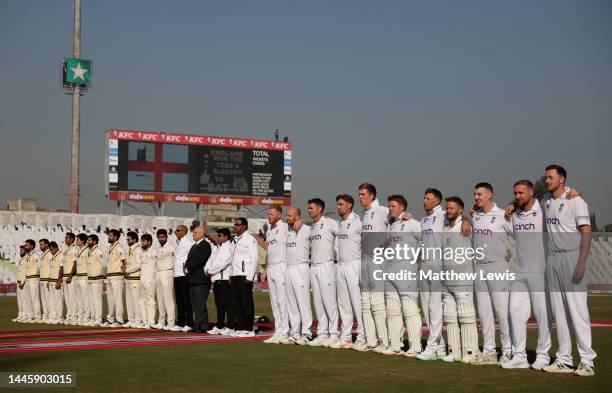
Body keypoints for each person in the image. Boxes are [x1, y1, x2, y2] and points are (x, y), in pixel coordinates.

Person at [540, 165, 596, 376]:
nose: (546, 180)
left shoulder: (576, 200)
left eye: (550, 177)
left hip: (572, 257)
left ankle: (587, 361)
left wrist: (581, 263)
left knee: (578, 311)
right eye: (546, 177)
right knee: (559, 313)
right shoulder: (546, 200)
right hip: (553, 259)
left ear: (562, 180)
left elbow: (586, 232)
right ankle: (564, 359)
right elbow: (525, 198)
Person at [502, 180, 551, 370]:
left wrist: (573, 191)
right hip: (520, 273)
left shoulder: (543, 211)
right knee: (515, 312)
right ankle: (520, 356)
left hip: (541, 272)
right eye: (515, 194)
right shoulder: (515, 214)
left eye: (521, 193)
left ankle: (543, 356)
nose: (517, 197)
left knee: (542, 315)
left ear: (531, 192)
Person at [470, 182, 514, 365]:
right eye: (474, 194)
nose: (476, 197)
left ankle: (507, 350)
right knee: (484, 312)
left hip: (498, 267)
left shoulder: (504, 215)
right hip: (479, 267)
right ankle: (489, 352)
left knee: (501, 311)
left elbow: (518, 236)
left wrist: (510, 251)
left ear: (490, 195)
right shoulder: (475, 216)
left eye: (479, 194)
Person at [440, 197, 480, 363]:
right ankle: (454, 352)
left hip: (463, 278)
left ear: (460, 210)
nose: (448, 211)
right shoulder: (445, 226)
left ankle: (471, 352)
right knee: (449, 316)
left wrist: (466, 219)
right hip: (446, 279)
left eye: (452, 208)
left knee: (466, 315)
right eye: (447, 208)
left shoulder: (466, 226)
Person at [382, 195, 422, 356]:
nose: (389, 208)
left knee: (409, 308)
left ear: (402, 207)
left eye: (392, 206)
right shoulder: (391, 225)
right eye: (389, 206)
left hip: (406, 271)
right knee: (392, 309)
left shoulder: (412, 223)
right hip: (390, 270)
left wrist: (419, 260)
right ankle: (395, 344)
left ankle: (415, 346)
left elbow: (426, 240)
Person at [357, 183, 391, 352]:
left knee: (377, 302)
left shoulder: (382, 210)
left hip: (378, 261)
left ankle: (385, 341)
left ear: (372, 195)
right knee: (366, 302)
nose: (360, 197)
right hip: (365, 261)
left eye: (363, 194)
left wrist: (388, 241)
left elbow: (398, 223)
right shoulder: (364, 214)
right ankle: (371, 341)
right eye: (359, 194)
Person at [331, 194, 366, 350]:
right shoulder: (340, 223)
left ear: (350, 205)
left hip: (354, 264)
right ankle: (346, 337)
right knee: (343, 303)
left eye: (341, 204)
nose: (338, 207)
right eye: (337, 204)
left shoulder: (358, 222)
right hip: (340, 266)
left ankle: (362, 336)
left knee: (357, 302)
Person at [416, 188, 447, 361]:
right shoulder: (424, 220)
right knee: (427, 308)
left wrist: (465, 220)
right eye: (424, 197)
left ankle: (432, 346)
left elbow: (460, 218)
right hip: (425, 266)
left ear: (437, 201)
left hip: (437, 266)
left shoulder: (443, 215)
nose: (424, 201)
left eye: (428, 198)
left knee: (435, 307)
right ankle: (440, 347)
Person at [307, 198, 340, 347]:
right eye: (308, 208)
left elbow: (343, 234)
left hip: (327, 266)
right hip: (313, 266)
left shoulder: (330, 223)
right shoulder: (312, 227)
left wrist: (338, 254)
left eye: (312, 208)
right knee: (318, 302)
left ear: (320, 209)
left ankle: (334, 333)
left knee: (329, 301)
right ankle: (322, 333)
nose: (309, 210)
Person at [259, 206, 290, 344]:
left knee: (282, 301)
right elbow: (269, 252)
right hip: (271, 267)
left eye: (272, 214)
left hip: (281, 266)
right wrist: (265, 269)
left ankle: (285, 331)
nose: (269, 216)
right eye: (268, 214)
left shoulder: (285, 227)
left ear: (279, 214)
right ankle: (278, 331)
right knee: (274, 301)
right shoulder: (270, 231)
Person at [283, 207, 313, 345]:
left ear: (297, 217)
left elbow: (317, 230)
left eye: (289, 215)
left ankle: (307, 333)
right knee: (292, 304)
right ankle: (295, 332)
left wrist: (303, 222)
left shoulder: (306, 229)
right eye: (286, 215)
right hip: (289, 269)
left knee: (303, 303)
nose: (287, 217)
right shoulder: (287, 231)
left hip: (301, 268)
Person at [230, 217, 259, 337]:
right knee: (236, 302)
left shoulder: (250, 239)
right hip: (236, 274)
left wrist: (250, 276)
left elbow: (254, 258)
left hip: (244, 274)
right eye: (234, 224)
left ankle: (249, 328)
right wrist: (231, 274)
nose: (235, 227)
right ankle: (240, 327)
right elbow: (233, 259)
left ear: (244, 226)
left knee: (246, 302)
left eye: (237, 224)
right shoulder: (236, 239)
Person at [205, 228, 235, 335]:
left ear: (226, 237)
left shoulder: (229, 248)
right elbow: (210, 261)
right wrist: (207, 270)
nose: (217, 237)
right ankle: (220, 325)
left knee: (227, 304)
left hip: (224, 279)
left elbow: (223, 263)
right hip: (216, 279)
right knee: (219, 305)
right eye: (217, 235)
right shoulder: (217, 248)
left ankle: (231, 326)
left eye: (220, 235)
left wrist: (211, 271)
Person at [184, 225, 212, 333]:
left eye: (195, 232)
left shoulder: (205, 245)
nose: (193, 234)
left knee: (200, 304)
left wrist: (188, 269)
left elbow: (200, 260)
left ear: (201, 233)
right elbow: (189, 259)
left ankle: (204, 325)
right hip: (192, 279)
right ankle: (198, 325)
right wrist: (185, 267)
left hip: (201, 279)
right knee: (195, 304)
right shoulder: (194, 246)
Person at [154, 229, 179, 331]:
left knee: (168, 298)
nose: (161, 239)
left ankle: (171, 322)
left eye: (163, 237)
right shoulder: (157, 247)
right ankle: (161, 321)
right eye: (159, 237)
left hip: (167, 272)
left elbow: (175, 260)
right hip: (158, 272)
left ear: (167, 237)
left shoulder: (171, 247)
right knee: (160, 298)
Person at [174, 225, 195, 332]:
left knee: (187, 300)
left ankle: (189, 322)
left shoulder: (188, 243)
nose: (175, 232)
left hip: (184, 275)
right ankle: (180, 322)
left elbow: (191, 257)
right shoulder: (177, 242)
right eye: (175, 230)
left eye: (178, 230)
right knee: (179, 300)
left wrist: (186, 268)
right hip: (176, 274)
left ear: (184, 232)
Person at [105, 229, 126, 327]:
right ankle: (111, 319)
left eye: (110, 236)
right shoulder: (111, 247)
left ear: (116, 237)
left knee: (118, 299)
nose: (108, 237)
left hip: (117, 276)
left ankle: (119, 320)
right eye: (108, 235)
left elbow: (124, 261)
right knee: (110, 299)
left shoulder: (119, 247)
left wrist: (123, 272)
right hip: (110, 276)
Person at [86, 234, 107, 327]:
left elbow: (104, 264)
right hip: (90, 279)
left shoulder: (98, 250)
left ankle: (98, 319)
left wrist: (101, 275)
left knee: (97, 300)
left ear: (94, 241)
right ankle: (94, 318)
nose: (88, 242)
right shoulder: (90, 250)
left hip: (97, 279)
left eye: (89, 240)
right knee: (91, 300)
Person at [124, 231, 143, 328]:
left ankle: (138, 320)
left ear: (135, 240)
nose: (127, 241)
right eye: (127, 239)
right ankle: (131, 320)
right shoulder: (130, 249)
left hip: (135, 279)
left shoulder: (138, 249)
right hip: (128, 279)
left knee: (136, 300)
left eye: (129, 239)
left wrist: (127, 270)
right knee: (129, 301)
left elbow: (139, 264)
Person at [139, 234, 158, 329]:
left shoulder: (154, 252)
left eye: (144, 241)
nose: (142, 243)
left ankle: (151, 322)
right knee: (142, 300)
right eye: (141, 241)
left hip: (150, 279)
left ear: (149, 242)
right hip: (142, 279)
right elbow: (139, 266)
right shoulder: (141, 252)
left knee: (150, 300)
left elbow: (158, 265)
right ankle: (144, 321)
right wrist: (127, 270)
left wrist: (155, 276)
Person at [62, 233, 79, 325]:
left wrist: (70, 276)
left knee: (72, 297)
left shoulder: (74, 249)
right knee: (67, 298)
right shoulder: (66, 249)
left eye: (67, 238)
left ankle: (74, 316)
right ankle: (69, 316)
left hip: (71, 276)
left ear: (72, 239)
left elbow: (75, 263)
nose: (65, 239)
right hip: (65, 276)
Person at [74, 233, 91, 325]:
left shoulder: (87, 250)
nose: (76, 241)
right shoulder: (78, 250)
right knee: (79, 299)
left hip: (85, 276)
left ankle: (87, 317)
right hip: (78, 276)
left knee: (85, 298)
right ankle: (80, 316)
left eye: (78, 239)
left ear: (83, 241)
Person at [24, 239, 41, 322]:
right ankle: (31, 315)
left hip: (34, 279)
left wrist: (35, 274)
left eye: (27, 245)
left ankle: (38, 316)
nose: (25, 246)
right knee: (29, 298)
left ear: (32, 246)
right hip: (28, 279)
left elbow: (39, 267)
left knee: (35, 298)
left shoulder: (35, 255)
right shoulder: (27, 256)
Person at [47, 242, 64, 324]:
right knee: (52, 300)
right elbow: (50, 269)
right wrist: (48, 280)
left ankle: (59, 317)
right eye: (50, 249)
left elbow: (61, 269)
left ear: (56, 248)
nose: (50, 251)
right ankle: (53, 316)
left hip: (57, 281)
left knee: (58, 300)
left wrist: (59, 280)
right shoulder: (51, 256)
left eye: (52, 249)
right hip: (51, 280)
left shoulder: (61, 255)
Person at [14, 246, 29, 322]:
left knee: (24, 300)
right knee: (19, 300)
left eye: (22, 250)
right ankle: (21, 315)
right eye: (20, 250)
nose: (20, 251)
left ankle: (26, 315)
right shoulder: (21, 259)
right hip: (19, 282)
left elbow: (27, 272)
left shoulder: (27, 259)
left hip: (23, 283)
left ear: (25, 251)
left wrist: (23, 282)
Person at [38, 239, 51, 323]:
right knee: (44, 299)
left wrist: (50, 279)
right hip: (42, 279)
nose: (40, 246)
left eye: (42, 244)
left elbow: (51, 267)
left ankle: (50, 315)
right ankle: (45, 316)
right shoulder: (42, 254)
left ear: (46, 245)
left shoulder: (49, 254)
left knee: (48, 299)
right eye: (40, 245)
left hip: (47, 279)